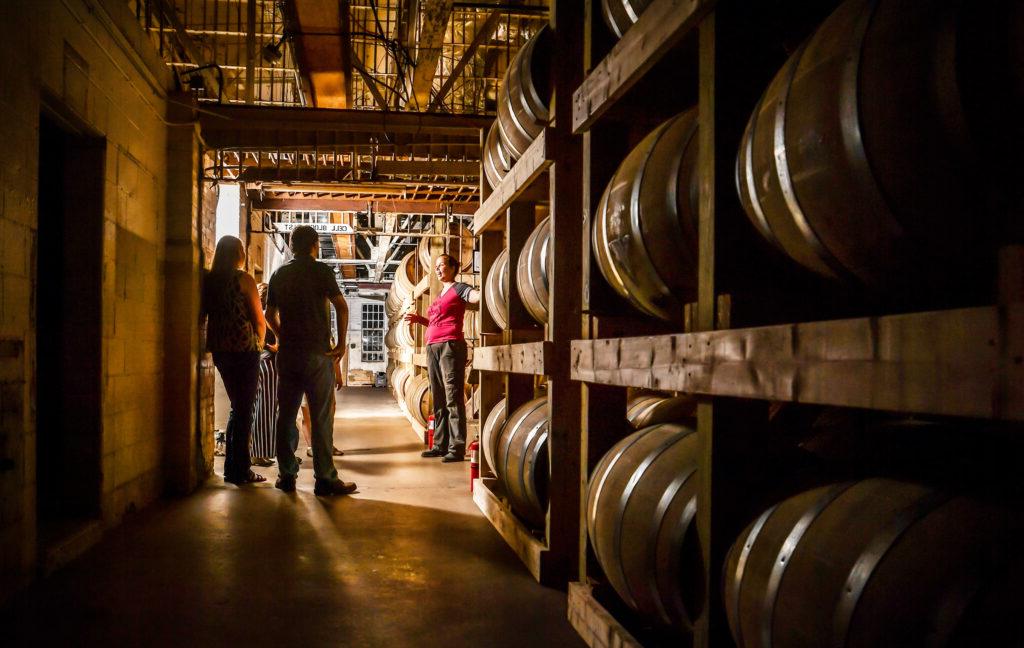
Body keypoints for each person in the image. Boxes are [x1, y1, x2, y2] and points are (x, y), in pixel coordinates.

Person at [265, 225, 356, 496]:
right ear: (315, 245)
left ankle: (286, 475)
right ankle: (325, 479)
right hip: (317, 354)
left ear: (292, 246)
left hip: (289, 354)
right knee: (320, 417)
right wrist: (340, 343)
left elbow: (269, 314)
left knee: (286, 417)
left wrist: (284, 337)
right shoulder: (321, 270)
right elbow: (341, 305)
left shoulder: (279, 273)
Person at [202, 235, 266, 484]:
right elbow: (258, 318)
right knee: (244, 410)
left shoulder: (211, 281)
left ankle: (232, 467)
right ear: (237, 253)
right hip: (244, 350)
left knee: (237, 408)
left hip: (221, 351)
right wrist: (259, 342)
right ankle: (240, 470)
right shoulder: (243, 279)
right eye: (241, 248)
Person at [405, 253, 480, 462]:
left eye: (442, 265)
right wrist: (421, 320)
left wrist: (484, 292)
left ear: (454, 267)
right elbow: (436, 321)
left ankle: (456, 448)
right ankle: (440, 444)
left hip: (450, 346)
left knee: (452, 396)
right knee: (438, 396)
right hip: (433, 347)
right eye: (436, 266)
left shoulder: (459, 288)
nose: (438, 269)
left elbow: (474, 297)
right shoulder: (440, 294)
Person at [250, 283, 277, 467]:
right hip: (267, 362)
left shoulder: (255, 313)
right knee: (265, 409)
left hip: (260, 361)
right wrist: (273, 347)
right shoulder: (267, 315)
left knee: (260, 408)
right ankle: (258, 454)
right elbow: (267, 341)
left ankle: (259, 452)